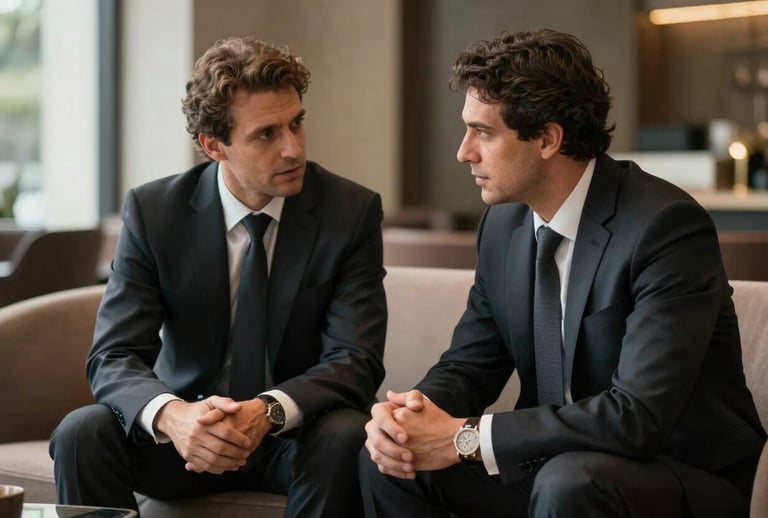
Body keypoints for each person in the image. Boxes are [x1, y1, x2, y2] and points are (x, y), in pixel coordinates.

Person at [360, 28, 766, 518]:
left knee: (568, 483)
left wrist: (464, 437)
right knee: (387, 460)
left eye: (483, 132)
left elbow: (636, 417)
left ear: (548, 139)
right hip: (556, 465)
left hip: (675, 472)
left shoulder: (664, 228)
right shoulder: (505, 224)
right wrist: (408, 419)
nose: (464, 151)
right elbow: (470, 365)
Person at [50, 36, 387, 517]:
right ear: (214, 146)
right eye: (266, 134)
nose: (293, 148)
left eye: (296, 123)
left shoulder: (349, 211)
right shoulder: (155, 212)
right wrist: (174, 417)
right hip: (188, 437)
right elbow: (114, 353)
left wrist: (265, 412)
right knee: (81, 432)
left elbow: (355, 360)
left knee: (347, 435)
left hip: (295, 436)